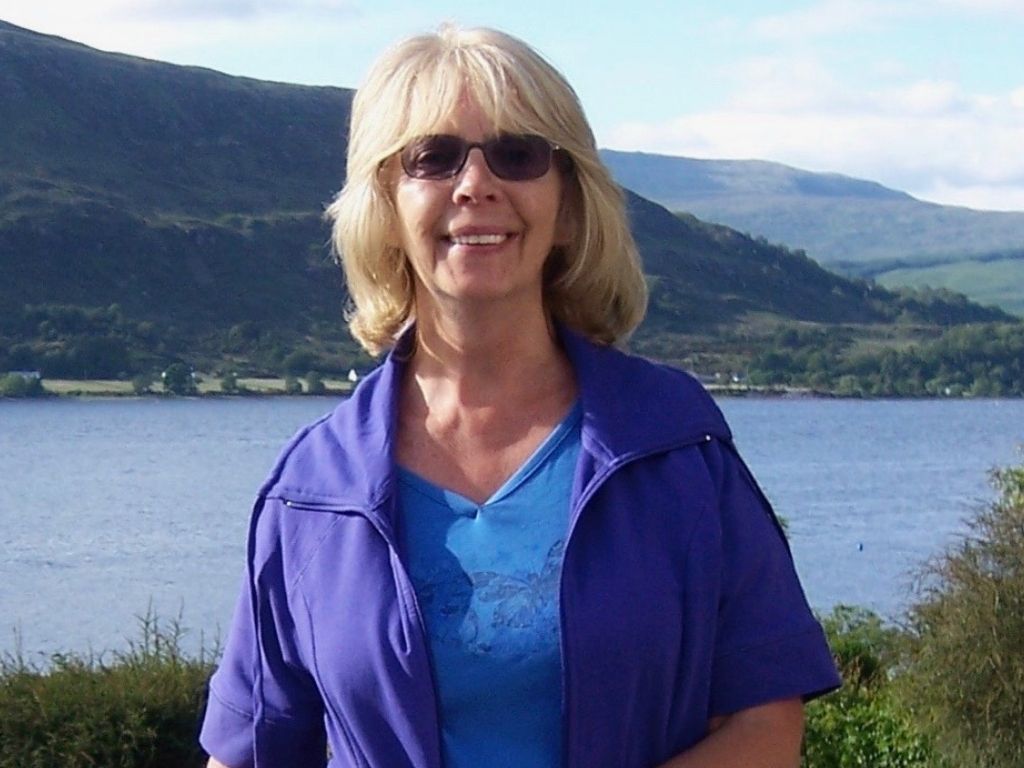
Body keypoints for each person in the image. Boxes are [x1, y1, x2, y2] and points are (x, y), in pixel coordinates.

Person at [200, 24, 840, 768]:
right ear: (387, 200)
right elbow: (247, 753)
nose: (476, 184)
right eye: (432, 157)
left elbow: (767, 730)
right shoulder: (311, 491)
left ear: (569, 203)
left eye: (518, 153)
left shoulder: (674, 445)